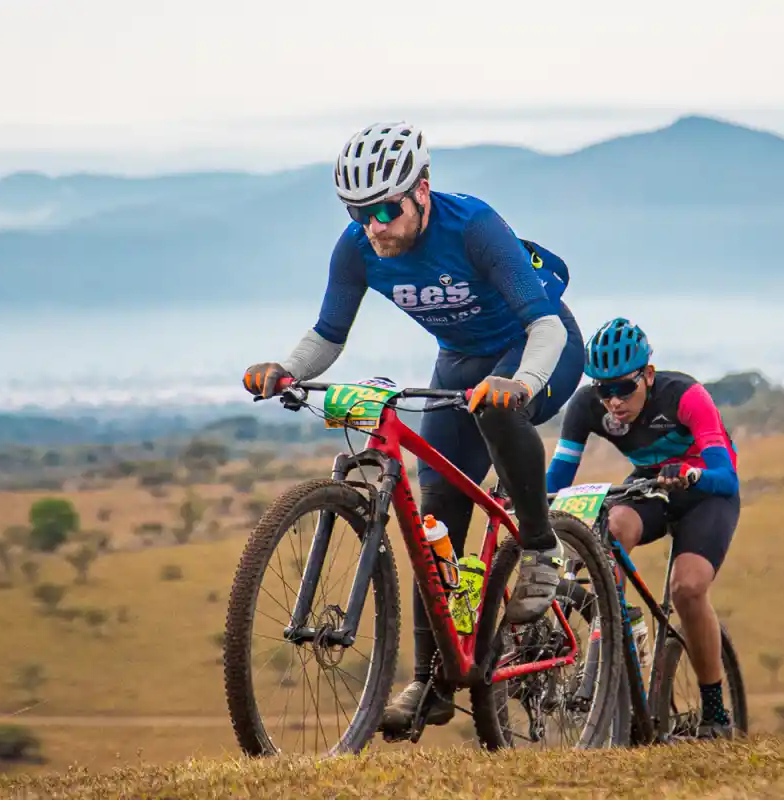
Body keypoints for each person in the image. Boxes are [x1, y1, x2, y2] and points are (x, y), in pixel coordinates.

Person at [242, 121, 587, 736]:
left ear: (422, 189)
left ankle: (539, 547)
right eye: (357, 211)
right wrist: (286, 370)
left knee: (497, 409)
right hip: (460, 358)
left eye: (385, 208)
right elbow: (328, 334)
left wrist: (523, 384)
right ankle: (430, 681)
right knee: (436, 514)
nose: (373, 225)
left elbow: (546, 326)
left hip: (535, 346)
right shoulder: (356, 248)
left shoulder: (474, 226)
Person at [544, 317, 740, 739]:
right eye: (604, 389)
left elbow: (727, 477)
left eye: (624, 388)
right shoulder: (585, 407)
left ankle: (714, 712)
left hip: (705, 491)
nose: (613, 401)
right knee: (611, 526)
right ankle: (616, 620)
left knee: (687, 589)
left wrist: (692, 475)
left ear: (648, 376)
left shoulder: (685, 396)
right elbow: (557, 478)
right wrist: (524, 499)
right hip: (651, 485)